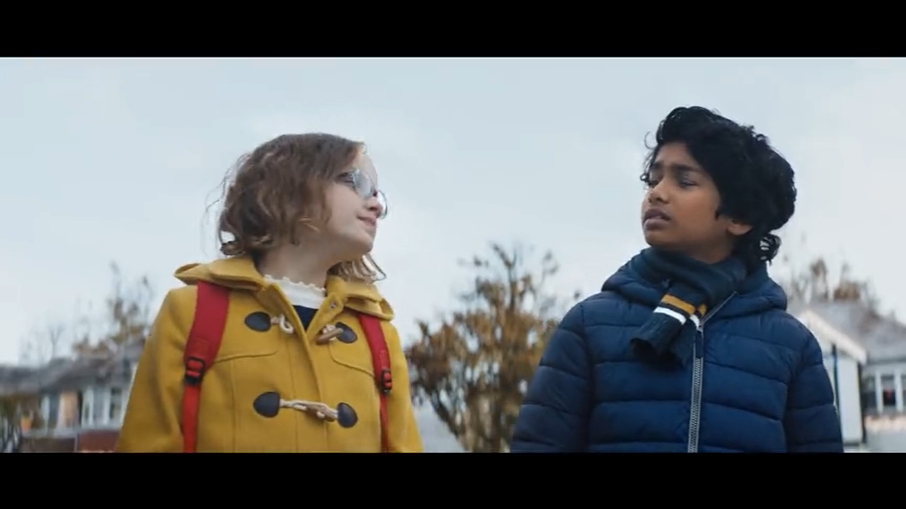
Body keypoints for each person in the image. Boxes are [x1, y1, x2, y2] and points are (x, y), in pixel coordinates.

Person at [510, 106, 843, 453]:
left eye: (684, 181)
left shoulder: (791, 346)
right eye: (653, 180)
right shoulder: (589, 325)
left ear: (739, 216)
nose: (656, 193)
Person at [117, 133, 423, 452]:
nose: (376, 205)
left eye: (377, 194)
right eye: (357, 182)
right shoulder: (192, 311)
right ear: (293, 186)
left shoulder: (377, 333)